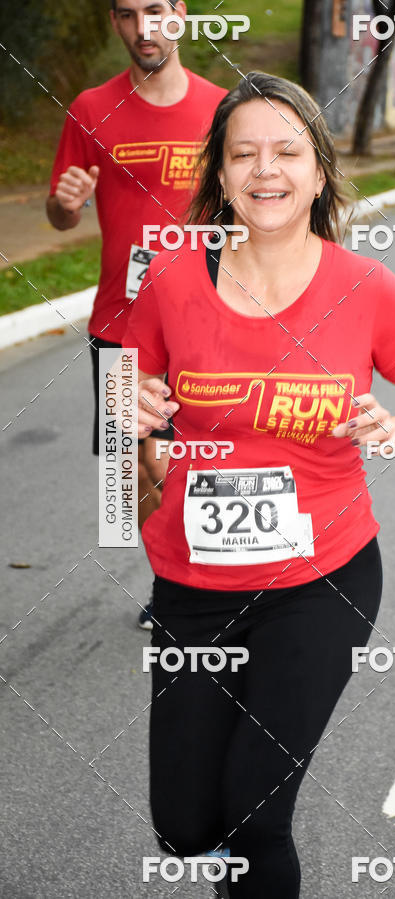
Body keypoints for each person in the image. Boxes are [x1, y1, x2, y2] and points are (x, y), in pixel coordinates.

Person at [123, 72, 395, 898]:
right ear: (222, 175)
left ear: (318, 172)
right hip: (194, 584)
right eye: (243, 154)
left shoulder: (366, 286)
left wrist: (394, 428)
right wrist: (133, 430)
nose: (265, 171)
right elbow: (130, 420)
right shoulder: (169, 283)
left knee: (255, 817)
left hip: (322, 581)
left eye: (287, 151)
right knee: (183, 825)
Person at [46, 0, 227, 627]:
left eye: (155, 10)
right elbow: (59, 211)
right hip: (120, 322)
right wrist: (66, 206)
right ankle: (176, 583)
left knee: (189, 455)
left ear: (180, 14)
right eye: (126, 15)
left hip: (204, 319)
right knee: (136, 462)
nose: (143, 29)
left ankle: (208, 579)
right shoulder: (92, 109)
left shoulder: (222, 109)